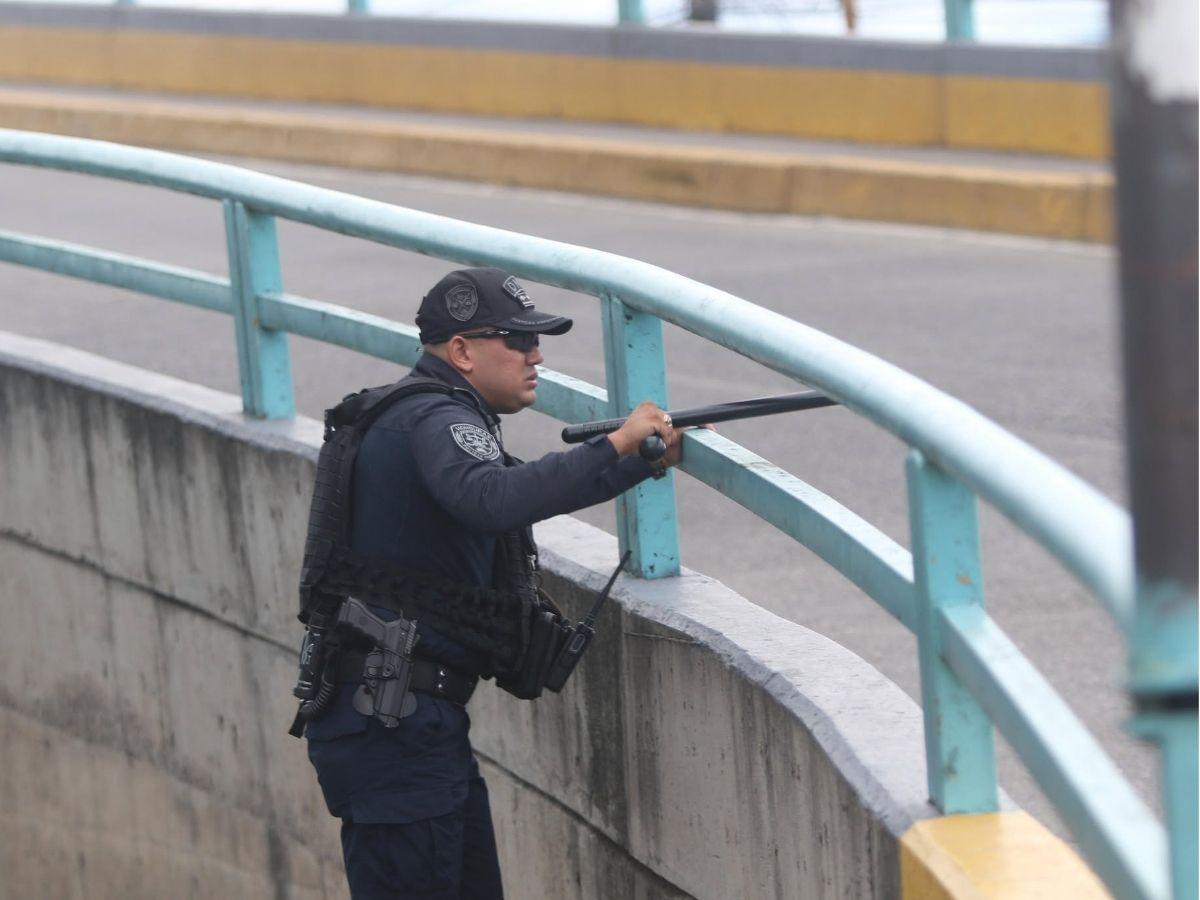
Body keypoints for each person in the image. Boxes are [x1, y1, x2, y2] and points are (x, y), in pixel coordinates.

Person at [299, 267, 685, 899]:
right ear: (462, 351)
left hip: (403, 726)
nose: (536, 356)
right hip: (395, 730)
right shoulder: (436, 418)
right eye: (519, 340)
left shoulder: (421, 414)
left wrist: (637, 462)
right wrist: (618, 444)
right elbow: (493, 498)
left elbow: (499, 493)